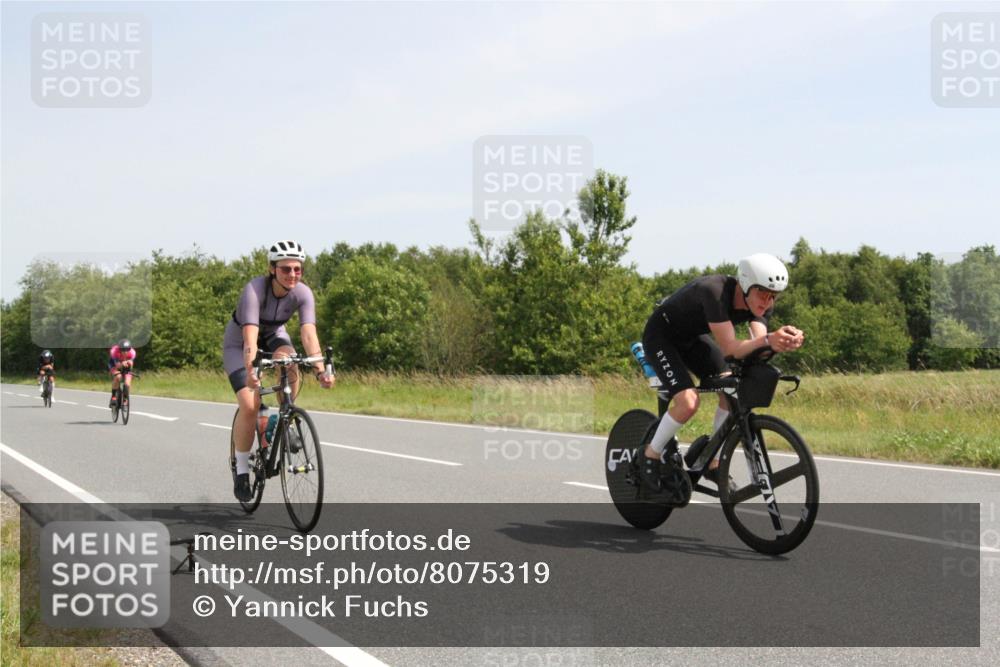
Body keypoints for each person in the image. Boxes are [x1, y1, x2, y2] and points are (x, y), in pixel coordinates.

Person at [638, 253, 805, 494]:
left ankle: (711, 461)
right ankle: (649, 456)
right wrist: (769, 339)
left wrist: (782, 342)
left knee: (730, 390)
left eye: (773, 296)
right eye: (763, 294)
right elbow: (730, 349)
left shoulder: (761, 303)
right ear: (746, 285)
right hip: (662, 336)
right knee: (688, 402)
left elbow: (757, 342)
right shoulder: (714, 292)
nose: (767, 302)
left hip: (693, 338)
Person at [224, 240, 334, 502]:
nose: (293, 274)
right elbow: (250, 337)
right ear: (272, 269)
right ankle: (241, 471)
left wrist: (320, 369)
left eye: (298, 269)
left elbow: (309, 333)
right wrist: (252, 368)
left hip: (274, 335)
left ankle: (284, 415)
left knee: (290, 360)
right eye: (286, 269)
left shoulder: (303, 293)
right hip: (240, 343)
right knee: (251, 406)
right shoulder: (254, 289)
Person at [108, 339, 137, 407]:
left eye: (127, 350)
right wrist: (122, 364)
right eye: (123, 350)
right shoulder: (114, 351)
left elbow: (131, 366)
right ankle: (113, 396)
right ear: (119, 349)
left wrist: (129, 364)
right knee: (118, 377)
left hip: (126, 366)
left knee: (127, 382)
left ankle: (125, 399)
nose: (125, 352)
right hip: (114, 365)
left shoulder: (132, 352)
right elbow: (117, 365)